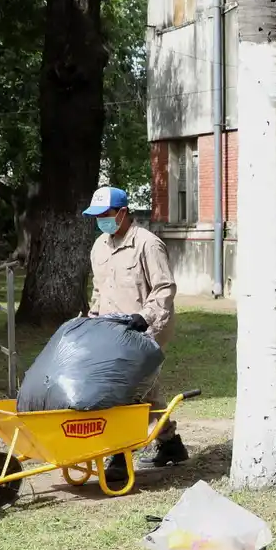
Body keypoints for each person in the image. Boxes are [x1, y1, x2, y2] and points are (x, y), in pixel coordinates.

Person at [83, 186, 185, 478]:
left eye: (106, 214)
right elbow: (100, 290)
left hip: (146, 330)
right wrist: (92, 318)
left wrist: (145, 316)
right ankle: (171, 444)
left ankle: (119, 455)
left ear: (123, 213)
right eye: (97, 215)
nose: (101, 220)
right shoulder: (99, 246)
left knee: (125, 389)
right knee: (146, 391)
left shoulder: (147, 244)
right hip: (111, 332)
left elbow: (165, 287)